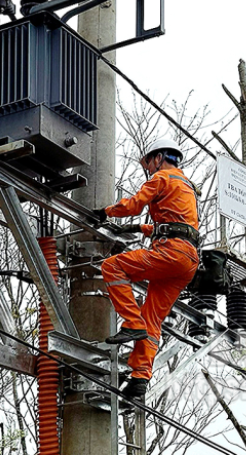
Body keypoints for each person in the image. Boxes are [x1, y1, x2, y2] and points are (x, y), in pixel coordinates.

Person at [93, 138, 200, 399]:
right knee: (152, 320)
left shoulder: (161, 178)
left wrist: (106, 212)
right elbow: (179, 223)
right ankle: (140, 379)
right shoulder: (186, 186)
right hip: (188, 261)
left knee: (113, 267)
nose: (149, 169)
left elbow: (133, 205)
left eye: (149, 163)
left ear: (158, 157)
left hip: (171, 252)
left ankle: (131, 322)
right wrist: (139, 228)